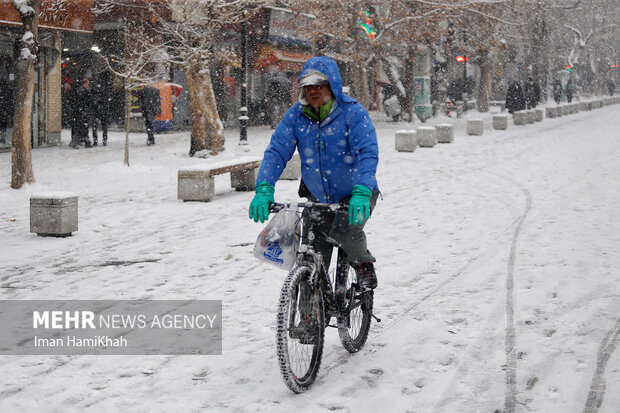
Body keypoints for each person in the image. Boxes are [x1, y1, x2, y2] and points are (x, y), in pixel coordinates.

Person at [249, 56, 380, 291]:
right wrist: (264, 188)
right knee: (309, 253)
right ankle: (308, 319)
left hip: (356, 193)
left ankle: (363, 264)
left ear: (333, 86)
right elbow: (277, 152)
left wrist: (361, 191)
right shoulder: (295, 117)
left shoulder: (353, 114)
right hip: (317, 198)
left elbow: (366, 155)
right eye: (308, 87)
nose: (313, 91)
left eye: (319, 85)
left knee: (345, 231)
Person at [70, 77, 93, 148]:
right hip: (82, 111)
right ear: (85, 83)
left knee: (82, 127)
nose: (88, 85)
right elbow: (87, 100)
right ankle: (78, 142)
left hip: (81, 111)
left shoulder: (79, 90)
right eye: (87, 83)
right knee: (82, 127)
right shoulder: (83, 91)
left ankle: (86, 141)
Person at [91, 69, 111, 147]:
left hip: (97, 108)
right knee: (103, 126)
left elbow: (93, 97)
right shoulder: (106, 87)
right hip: (102, 108)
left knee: (96, 126)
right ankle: (104, 140)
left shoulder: (96, 87)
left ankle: (97, 141)